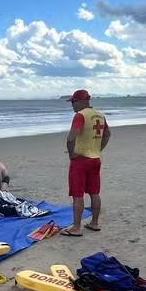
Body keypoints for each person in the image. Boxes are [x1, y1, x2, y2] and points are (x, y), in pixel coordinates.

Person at [62, 89, 109, 237]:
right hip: (95, 159)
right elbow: (107, 134)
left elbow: (71, 138)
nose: (72, 105)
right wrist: (98, 148)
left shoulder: (80, 116)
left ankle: (76, 227)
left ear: (81, 101)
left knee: (78, 194)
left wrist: (72, 155)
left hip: (81, 160)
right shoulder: (100, 115)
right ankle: (94, 223)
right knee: (95, 192)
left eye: (74, 102)